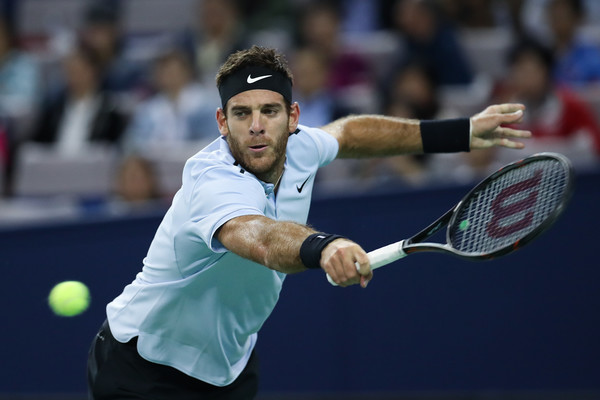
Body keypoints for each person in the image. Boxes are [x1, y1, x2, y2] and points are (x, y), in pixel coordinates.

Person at [87, 45, 530, 399]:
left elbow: (350, 133)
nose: (257, 126)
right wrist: (325, 246)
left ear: (293, 117)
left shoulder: (301, 147)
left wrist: (460, 133)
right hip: (141, 368)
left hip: (228, 371)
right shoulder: (212, 180)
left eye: (270, 111)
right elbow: (258, 237)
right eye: (242, 114)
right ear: (222, 122)